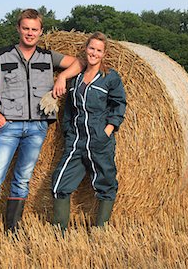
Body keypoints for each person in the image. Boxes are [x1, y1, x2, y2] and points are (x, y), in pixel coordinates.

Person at [0, 8, 82, 235]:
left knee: (22, 180)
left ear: (41, 31)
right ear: (18, 29)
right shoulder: (2, 56)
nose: (30, 33)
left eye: (34, 29)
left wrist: (62, 76)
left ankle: (12, 230)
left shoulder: (48, 57)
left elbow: (80, 62)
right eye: (26, 28)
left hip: (37, 128)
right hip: (8, 126)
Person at [51, 32, 127, 234]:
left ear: (104, 53)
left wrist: (107, 131)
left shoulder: (110, 77)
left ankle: (99, 232)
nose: (94, 53)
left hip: (99, 141)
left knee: (106, 183)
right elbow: (68, 109)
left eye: (98, 50)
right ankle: (58, 234)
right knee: (60, 183)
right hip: (76, 140)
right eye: (91, 48)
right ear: (86, 48)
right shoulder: (75, 78)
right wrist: (68, 132)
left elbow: (119, 105)